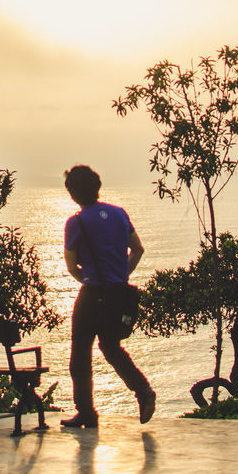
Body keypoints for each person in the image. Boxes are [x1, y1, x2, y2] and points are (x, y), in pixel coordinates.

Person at [61, 163, 155, 428]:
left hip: (92, 294)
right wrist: (121, 274)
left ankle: (87, 413)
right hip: (117, 293)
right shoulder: (119, 214)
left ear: (73, 194)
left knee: (80, 354)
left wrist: (88, 280)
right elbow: (137, 249)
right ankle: (144, 392)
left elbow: (70, 266)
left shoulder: (75, 222)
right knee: (111, 347)